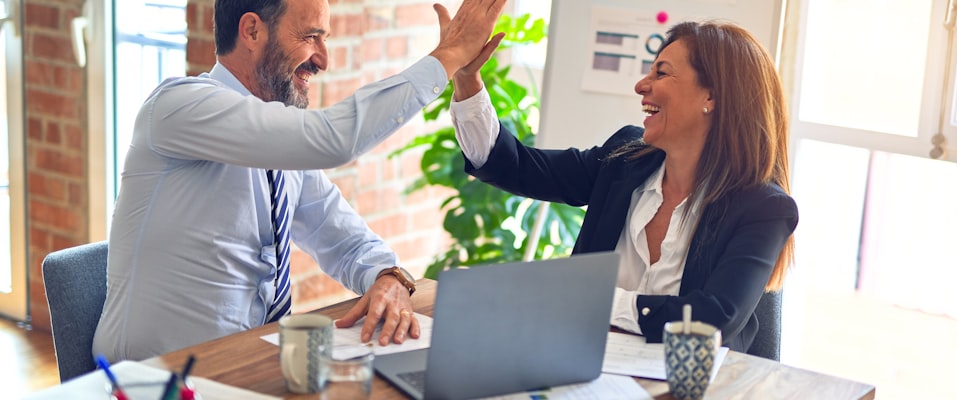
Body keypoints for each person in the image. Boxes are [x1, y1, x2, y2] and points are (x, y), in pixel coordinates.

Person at [93, 0, 507, 362]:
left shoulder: (279, 148)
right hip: (155, 381)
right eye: (310, 37)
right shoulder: (178, 106)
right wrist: (448, 56)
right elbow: (332, 140)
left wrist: (387, 277)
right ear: (252, 30)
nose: (323, 59)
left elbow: (346, 241)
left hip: (247, 368)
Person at [449, 20, 798, 352]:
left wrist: (593, 299)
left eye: (661, 73)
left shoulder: (763, 208)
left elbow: (711, 321)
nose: (641, 85)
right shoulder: (624, 160)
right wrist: (467, 79)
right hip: (583, 368)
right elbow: (516, 167)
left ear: (712, 96)